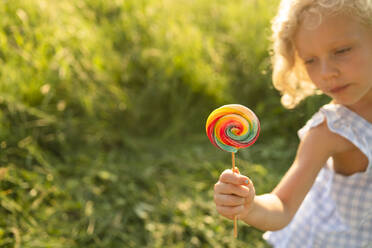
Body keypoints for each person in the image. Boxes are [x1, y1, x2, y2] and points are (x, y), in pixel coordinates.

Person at [213, 0, 372, 247]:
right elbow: (283, 206)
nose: (327, 71)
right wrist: (250, 206)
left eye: (341, 50)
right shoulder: (331, 129)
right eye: (310, 60)